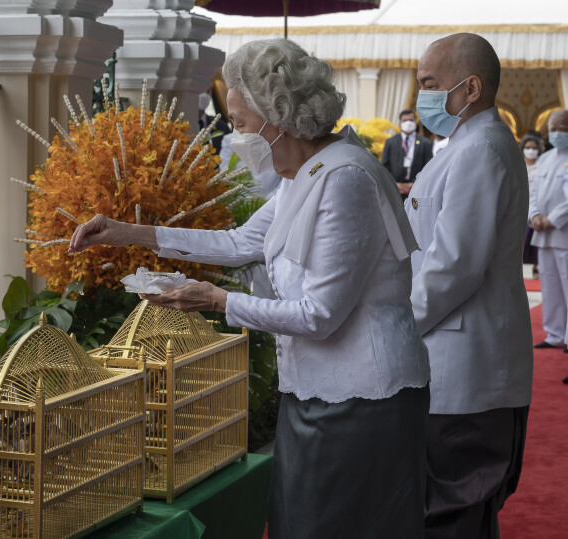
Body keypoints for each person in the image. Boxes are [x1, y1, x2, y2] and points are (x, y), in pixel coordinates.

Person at [71, 39, 431, 539]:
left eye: (239, 122)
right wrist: (129, 233)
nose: (235, 134)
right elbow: (240, 241)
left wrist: (217, 301)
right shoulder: (302, 173)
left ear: (277, 116)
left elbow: (319, 315)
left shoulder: (344, 177)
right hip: (316, 388)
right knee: (295, 522)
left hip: (363, 398)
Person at [405, 33, 533, 538]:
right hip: (453, 354)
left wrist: (398, 325)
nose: (422, 97)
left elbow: (454, 265)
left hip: (468, 367)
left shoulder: (481, 148)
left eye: (430, 84)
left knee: (455, 512)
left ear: (471, 86)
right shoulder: (465, 144)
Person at [529, 110, 568, 352]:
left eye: (561, 127)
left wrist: (552, 219)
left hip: (563, 232)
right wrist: (534, 215)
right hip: (542, 233)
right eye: (552, 128)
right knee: (550, 286)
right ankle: (554, 334)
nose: (556, 132)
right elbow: (532, 192)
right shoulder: (545, 158)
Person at [381, 109, 434, 198]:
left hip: (417, 189)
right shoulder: (390, 142)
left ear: (416, 122)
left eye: (411, 120)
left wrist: (415, 183)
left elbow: (429, 166)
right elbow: (384, 166)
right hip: (395, 190)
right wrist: (394, 184)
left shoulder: (426, 143)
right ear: (400, 123)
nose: (408, 123)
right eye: (405, 120)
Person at [522, 134, 545, 275]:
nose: (531, 150)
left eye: (534, 148)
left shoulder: (542, 166)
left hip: (537, 207)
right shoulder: (517, 164)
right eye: (528, 147)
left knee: (535, 240)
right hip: (520, 206)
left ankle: (537, 267)